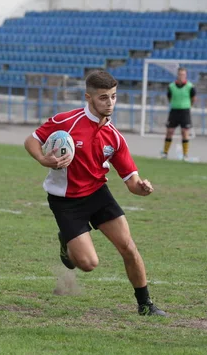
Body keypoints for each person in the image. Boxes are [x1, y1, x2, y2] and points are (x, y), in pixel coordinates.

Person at [24, 70, 166, 316]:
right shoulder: (66, 122)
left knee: (128, 247)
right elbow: (32, 140)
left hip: (98, 194)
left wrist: (141, 188)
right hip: (66, 201)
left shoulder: (115, 138)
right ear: (88, 97)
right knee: (89, 264)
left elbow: (131, 180)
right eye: (103, 98)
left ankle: (146, 305)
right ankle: (66, 244)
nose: (109, 103)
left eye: (113, 97)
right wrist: (42, 159)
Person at [161, 67, 196, 161]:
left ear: (186, 75)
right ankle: (165, 153)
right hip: (174, 111)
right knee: (169, 132)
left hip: (185, 111)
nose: (181, 76)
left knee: (185, 132)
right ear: (177, 75)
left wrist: (188, 106)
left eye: (183, 74)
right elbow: (169, 97)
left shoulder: (190, 86)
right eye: (180, 74)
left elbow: (193, 98)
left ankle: (185, 155)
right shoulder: (171, 86)